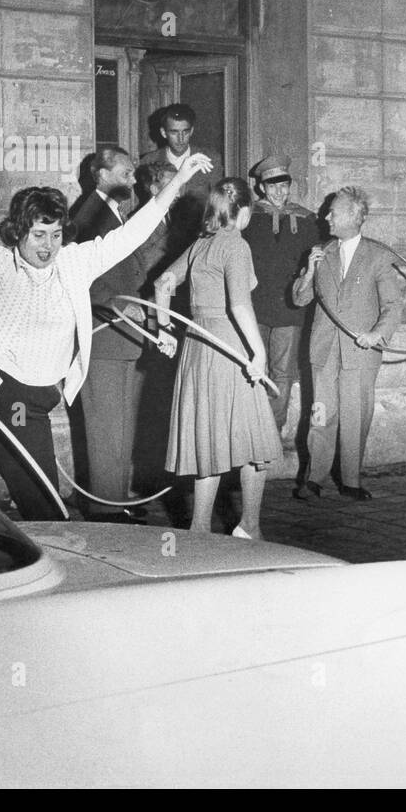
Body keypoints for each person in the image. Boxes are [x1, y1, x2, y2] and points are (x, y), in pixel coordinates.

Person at [0, 154, 212, 518]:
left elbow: (132, 233)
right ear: (17, 232)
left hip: (27, 401)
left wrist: (177, 181)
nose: (48, 246)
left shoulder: (76, 263)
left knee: (46, 509)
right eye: (38, 235)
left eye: (56, 234)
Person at [155, 178, 279, 538]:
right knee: (256, 442)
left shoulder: (201, 243)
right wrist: (258, 351)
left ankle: (198, 529)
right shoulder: (236, 246)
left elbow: (163, 283)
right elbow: (240, 305)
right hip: (230, 346)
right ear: (242, 211)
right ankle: (250, 526)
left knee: (207, 441)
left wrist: (164, 330)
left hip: (197, 346)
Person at [291, 187, 406, 501]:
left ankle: (351, 481)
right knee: (320, 412)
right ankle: (313, 478)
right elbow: (300, 299)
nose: (326, 217)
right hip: (325, 348)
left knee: (356, 414)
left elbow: (393, 306)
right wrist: (310, 270)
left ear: (356, 217)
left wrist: (376, 334)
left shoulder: (379, 256)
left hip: (360, 349)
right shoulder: (321, 252)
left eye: (333, 212)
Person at [69, 147, 155, 520]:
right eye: (124, 173)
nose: (132, 180)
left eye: (133, 173)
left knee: (121, 428)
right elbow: (80, 279)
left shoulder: (117, 215)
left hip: (125, 338)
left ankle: (117, 500)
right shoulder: (88, 216)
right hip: (102, 334)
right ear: (100, 175)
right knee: (105, 429)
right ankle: (105, 509)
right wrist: (121, 306)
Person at [242, 153, 318, 436]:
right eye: (271, 185)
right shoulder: (249, 218)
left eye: (283, 184)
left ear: (290, 185)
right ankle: (252, 429)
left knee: (283, 373)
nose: (278, 191)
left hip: (289, 310)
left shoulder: (307, 219)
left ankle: (272, 430)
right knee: (253, 368)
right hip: (254, 307)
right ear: (261, 187)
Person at [139, 103, 213, 265]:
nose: (181, 139)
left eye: (185, 132)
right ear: (163, 132)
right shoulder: (147, 161)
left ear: (192, 130)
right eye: (174, 132)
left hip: (196, 246)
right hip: (157, 250)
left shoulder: (210, 159)